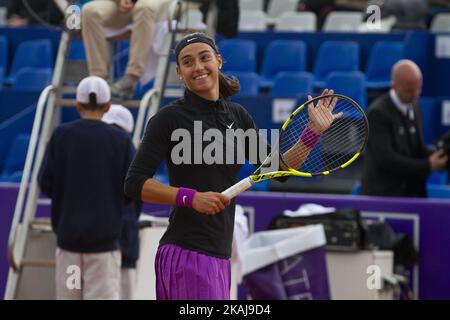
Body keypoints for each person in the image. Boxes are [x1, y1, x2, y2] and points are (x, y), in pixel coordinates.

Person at [124, 32, 339, 300]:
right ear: (180, 72)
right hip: (187, 254)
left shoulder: (237, 116)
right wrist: (190, 198)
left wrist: (311, 133)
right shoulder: (168, 119)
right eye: (188, 62)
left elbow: (277, 170)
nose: (198, 67)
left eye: (205, 58)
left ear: (218, 61)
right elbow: (134, 183)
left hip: (220, 256)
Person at [38, 76, 135, 299]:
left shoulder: (61, 136)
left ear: (78, 105)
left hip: (69, 245)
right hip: (103, 248)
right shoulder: (120, 140)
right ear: (108, 106)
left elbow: (46, 182)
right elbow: (132, 189)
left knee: (69, 295)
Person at [361, 60, 448, 198]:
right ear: (394, 85)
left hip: (411, 192)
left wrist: (438, 155)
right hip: (384, 196)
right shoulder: (377, 113)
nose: (415, 94)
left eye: (418, 88)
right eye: (409, 90)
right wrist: (428, 165)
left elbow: (416, 149)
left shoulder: (415, 107)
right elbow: (387, 160)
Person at [81, 0, 171, 100]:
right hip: (123, 4)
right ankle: (99, 80)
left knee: (144, 7)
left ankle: (132, 77)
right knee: (90, 11)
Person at [102, 104, 141, 300]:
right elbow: (136, 193)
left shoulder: (88, 144)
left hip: (88, 240)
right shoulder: (128, 146)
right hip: (123, 235)